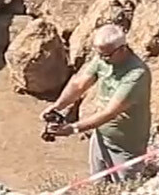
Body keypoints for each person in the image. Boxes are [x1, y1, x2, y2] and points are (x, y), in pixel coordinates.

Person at [41, 24, 152, 184]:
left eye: (106, 55)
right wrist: (57, 106)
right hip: (100, 138)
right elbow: (79, 85)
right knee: (98, 185)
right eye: (99, 54)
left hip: (126, 148)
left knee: (125, 189)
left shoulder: (136, 74)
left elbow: (110, 112)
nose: (102, 59)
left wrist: (73, 129)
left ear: (122, 49)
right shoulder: (103, 58)